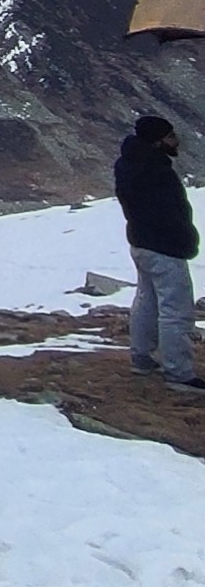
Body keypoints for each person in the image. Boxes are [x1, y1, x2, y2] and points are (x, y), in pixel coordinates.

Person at [113, 112, 199, 392]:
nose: (176, 141)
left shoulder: (128, 165)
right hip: (165, 247)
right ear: (157, 141)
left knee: (146, 300)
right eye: (170, 136)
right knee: (176, 310)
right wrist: (187, 241)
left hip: (140, 242)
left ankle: (142, 357)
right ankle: (180, 373)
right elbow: (171, 214)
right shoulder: (158, 172)